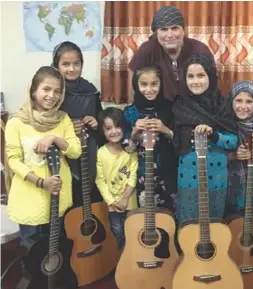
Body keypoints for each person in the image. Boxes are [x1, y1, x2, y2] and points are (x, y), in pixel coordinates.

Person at [5, 66, 81, 245]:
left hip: (57, 195)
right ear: (33, 91)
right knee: (32, 255)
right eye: (46, 89)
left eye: (57, 91)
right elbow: (13, 160)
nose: (51, 96)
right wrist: (41, 182)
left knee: (56, 251)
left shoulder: (63, 119)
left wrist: (54, 138)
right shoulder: (17, 122)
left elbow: (75, 151)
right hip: (29, 197)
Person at [172, 54, 238, 225]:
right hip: (189, 176)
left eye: (201, 75)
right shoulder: (180, 105)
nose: (195, 81)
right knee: (188, 227)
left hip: (217, 176)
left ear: (210, 76)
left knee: (215, 228)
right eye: (190, 76)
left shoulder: (222, 104)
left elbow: (234, 141)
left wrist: (214, 135)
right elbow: (176, 141)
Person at [52, 41, 104, 207]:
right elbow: (44, 124)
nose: (72, 69)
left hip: (88, 151)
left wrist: (96, 124)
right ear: (56, 65)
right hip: (60, 153)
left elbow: (102, 123)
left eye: (76, 63)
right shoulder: (52, 92)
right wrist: (65, 127)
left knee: (87, 196)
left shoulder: (90, 90)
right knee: (66, 197)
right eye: (65, 64)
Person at [129, 5, 215, 102]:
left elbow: (212, 84)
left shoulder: (200, 49)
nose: (169, 35)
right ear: (156, 33)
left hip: (195, 107)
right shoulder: (147, 50)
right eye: (164, 29)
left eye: (174, 28)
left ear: (183, 30)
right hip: (160, 109)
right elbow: (134, 82)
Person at [123, 65, 177, 212]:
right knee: (147, 221)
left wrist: (165, 129)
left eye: (154, 84)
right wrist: (135, 131)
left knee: (169, 220)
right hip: (144, 177)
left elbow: (181, 144)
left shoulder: (170, 108)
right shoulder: (130, 112)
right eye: (144, 84)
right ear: (136, 85)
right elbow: (127, 149)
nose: (149, 89)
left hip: (169, 175)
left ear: (161, 84)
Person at [225, 80, 253, 220]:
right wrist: (233, 155)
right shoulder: (223, 122)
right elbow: (212, 156)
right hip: (229, 181)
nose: (243, 106)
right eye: (238, 100)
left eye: (249, 101)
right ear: (231, 101)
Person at [96, 107, 138, 249]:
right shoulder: (101, 153)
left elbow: (133, 175)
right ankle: (121, 262)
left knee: (133, 233)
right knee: (117, 233)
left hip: (130, 202)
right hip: (112, 205)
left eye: (117, 126)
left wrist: (125, 198)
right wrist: (111, 201)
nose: (114, 131)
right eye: (108, 128)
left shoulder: (130, 151)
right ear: (103, 131)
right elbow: (100, 180)